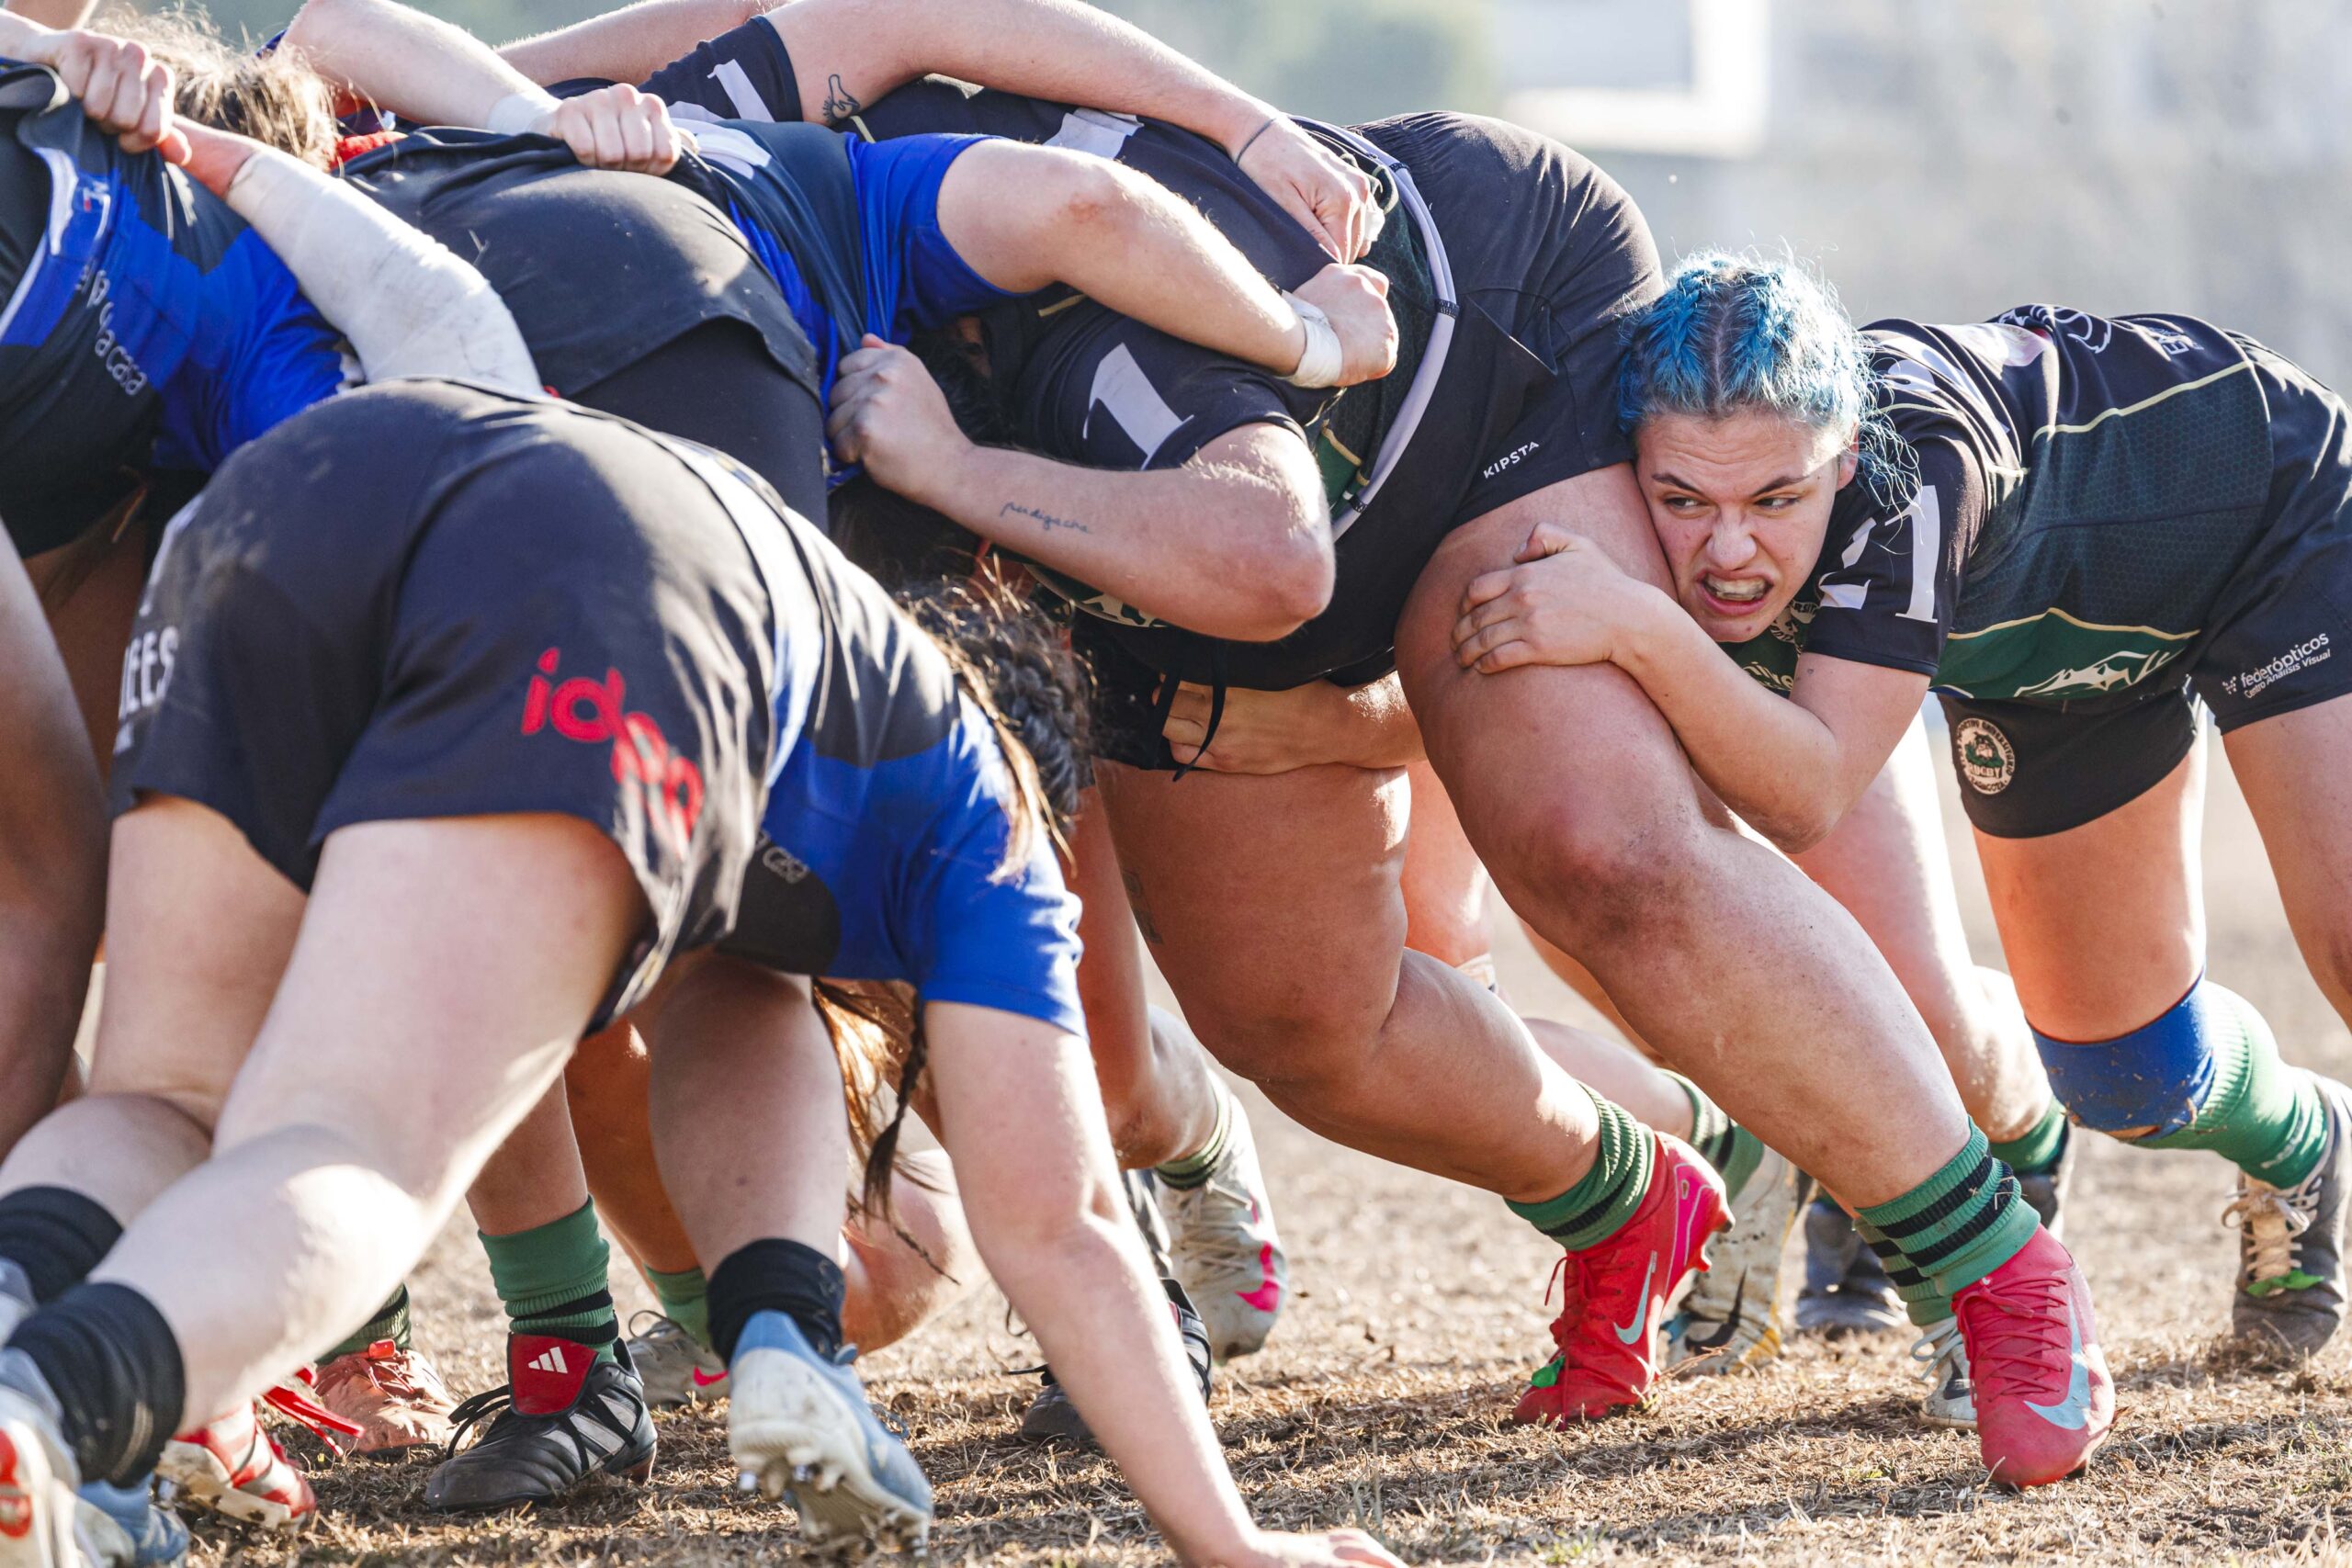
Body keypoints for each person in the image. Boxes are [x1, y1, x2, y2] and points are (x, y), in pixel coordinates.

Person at [498, 0, 2115, 1486]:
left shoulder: (1053, 323)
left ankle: (1993, 1262)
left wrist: (954, 461)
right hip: (1163, 528)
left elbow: (1268, 560)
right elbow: (366, 54)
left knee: (1588, 840)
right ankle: (1632, 1195)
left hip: (1457, 376)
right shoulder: (623, 213)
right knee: (1297, 1018)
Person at [0, 377, 1404, 1568]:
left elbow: (744, 999)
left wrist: (780, 1319)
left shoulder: (805, 769)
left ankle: (19, 1308)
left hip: (283, 493)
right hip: (587, 569)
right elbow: (1067, 1222)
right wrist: (1236, 1540)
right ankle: (49, 1397)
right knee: (351, 1137)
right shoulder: (991, 812)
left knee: (170, 1103)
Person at [1452, 251, 2352, 1366]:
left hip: (2270, 525)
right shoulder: (1623, 472)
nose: (1728, 549)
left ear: (1837, 459)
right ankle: (2305, 1134)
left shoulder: (1907, 471)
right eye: (1683, 500)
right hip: (2048, 660)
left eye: (1775, 498)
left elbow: (1811, 788)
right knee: (2125, 1074)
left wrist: (1636, 623)